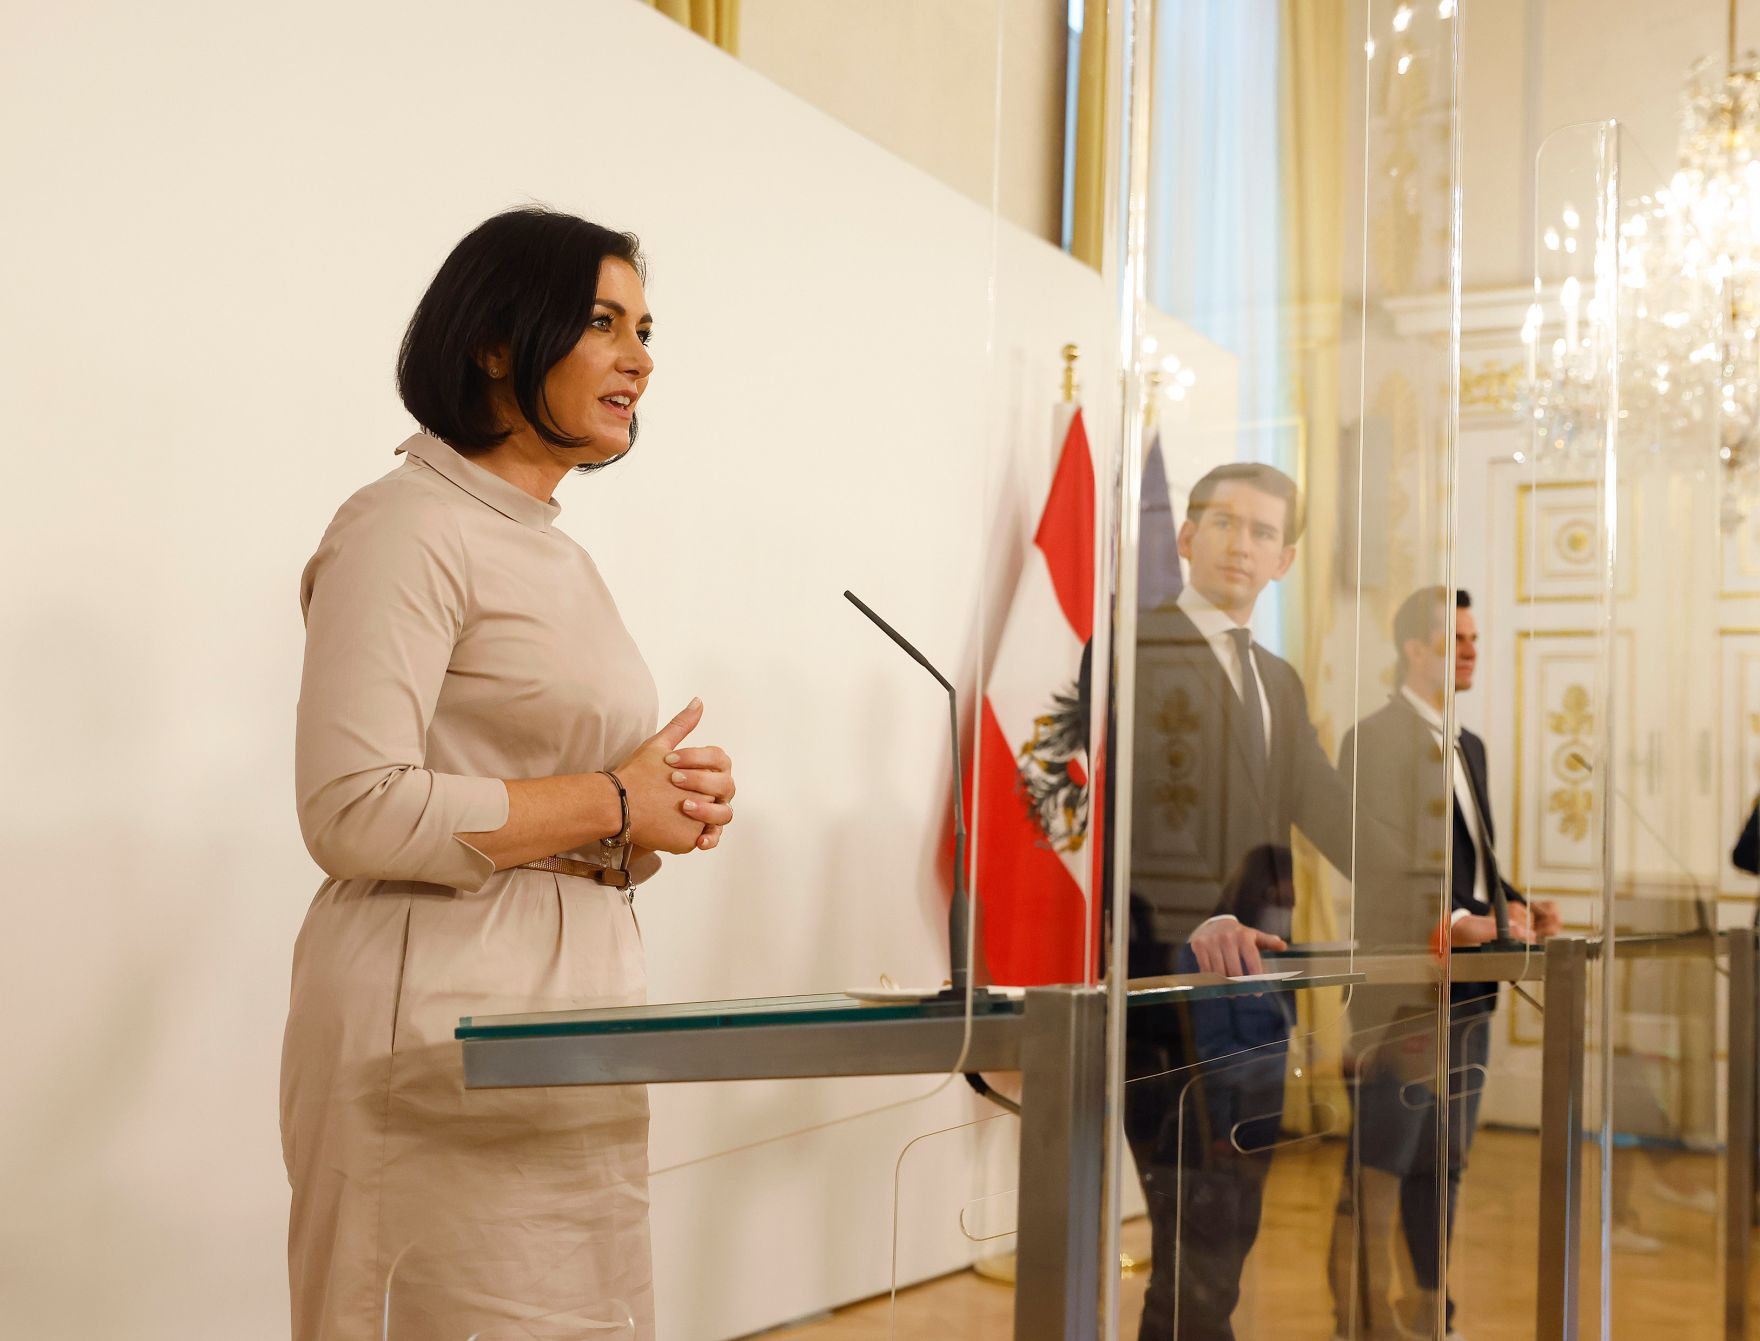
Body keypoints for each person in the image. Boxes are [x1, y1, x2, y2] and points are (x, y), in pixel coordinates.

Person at [280, 208, 737, 1341]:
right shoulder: (403, 528)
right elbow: (352, 811)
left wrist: (654, 819)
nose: (638, 356)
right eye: (600, 322)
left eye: (644, 327)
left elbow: (577, 803)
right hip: (435, 1016)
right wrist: (613, 801)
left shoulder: (553, 546)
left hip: (575, 1006)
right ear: (494, 341)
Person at [1126, 462, 1364, 1341]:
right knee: (1191, 1224)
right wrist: (1200, 914)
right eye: (1223, 522)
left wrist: (1439, 896)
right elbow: (1131, 810)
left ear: (1286, 558)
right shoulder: (1134, 647)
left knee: (1231, 1222)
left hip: (1261, 990)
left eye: (1263, 531)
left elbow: (1329, 808)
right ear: (1186, 537)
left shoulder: (1279, 677)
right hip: (1169, 988)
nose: (1242, 542)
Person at [1327, 586, 1557, 1339]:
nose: (1470, 649)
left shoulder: (1471, 745)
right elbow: (1382, 861)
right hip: (1405, 988)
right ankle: (1361, 1318)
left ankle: (1432, 1313)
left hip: (1471, 986)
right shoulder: (1374, 737)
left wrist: (1519, 906)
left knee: (1444, 1161)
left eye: (1473, 636)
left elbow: (1475, 866)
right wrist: (1456, 920)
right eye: (1454, 638)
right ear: (1412, 650)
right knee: (1381, 1163)